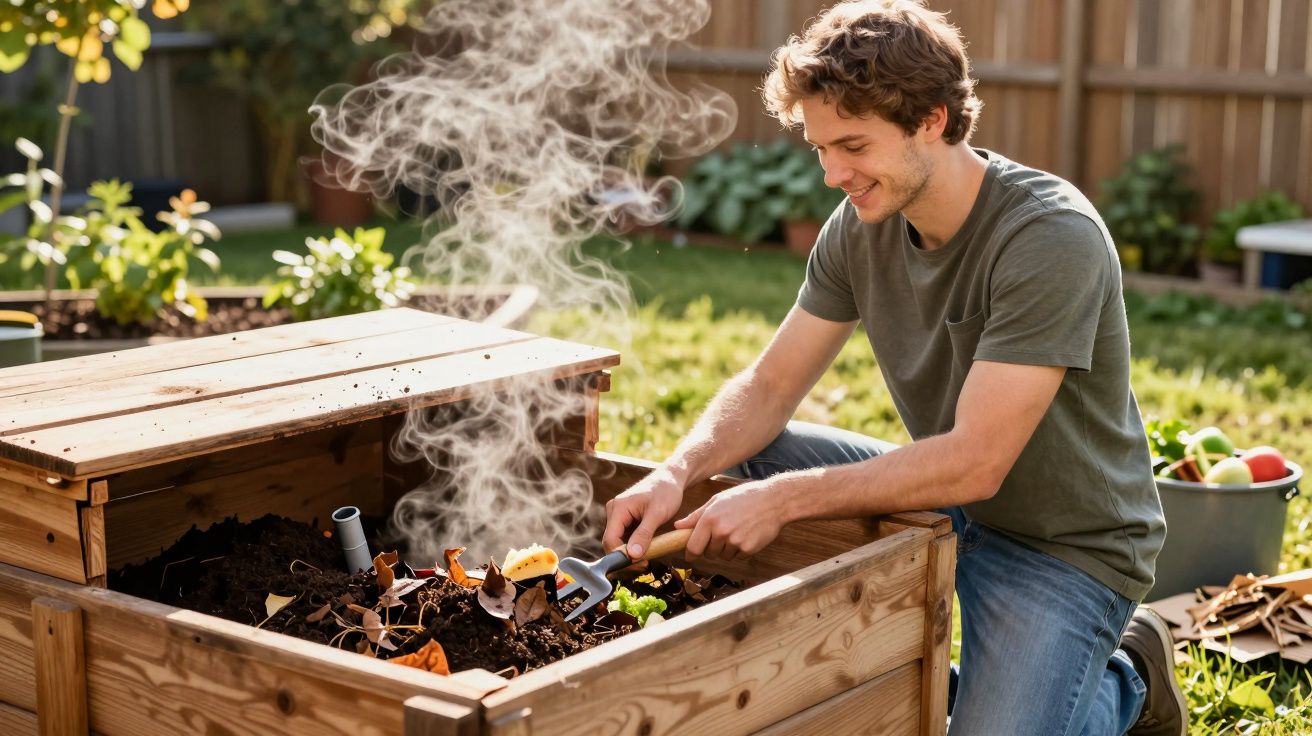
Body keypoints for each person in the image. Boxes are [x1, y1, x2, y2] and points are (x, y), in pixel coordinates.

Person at [602, 1, 1187, 734]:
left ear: (933, 120)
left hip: (1063, 545)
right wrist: (676, 472)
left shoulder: (1049, 237)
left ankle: (1131, 677)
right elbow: (770, 384)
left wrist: (784, 502)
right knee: (762, 450)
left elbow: (977, 462)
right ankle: (917, 665)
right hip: (948, 501)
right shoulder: (860, 227)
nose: (832, 174)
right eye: (820, 148)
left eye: (853, 146)